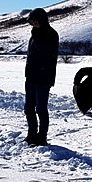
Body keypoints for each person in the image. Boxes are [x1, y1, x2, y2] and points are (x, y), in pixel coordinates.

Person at [24, 8, 59, 146]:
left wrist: (36, 35)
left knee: (41, 109)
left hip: (44, 78)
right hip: (31, 77)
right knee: (28, 108)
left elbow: (45, 51)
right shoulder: (34, 34)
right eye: (31, 22)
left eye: (35, 21)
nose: (33, 24)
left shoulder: (51, 34)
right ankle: (32, 134)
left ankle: (42, 137)